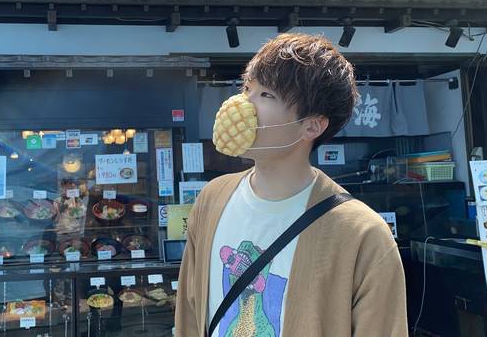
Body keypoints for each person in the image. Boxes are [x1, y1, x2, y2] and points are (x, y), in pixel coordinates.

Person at [175, 33, 408, 336]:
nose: (244, 104)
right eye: (248, 89)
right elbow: (189, 316)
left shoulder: (363, 234)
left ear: (312, 125)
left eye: (266, 95)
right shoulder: (211, 199)